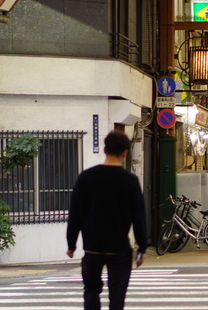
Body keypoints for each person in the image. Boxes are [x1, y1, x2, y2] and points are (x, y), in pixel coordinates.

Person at [66, 131, 148, 310]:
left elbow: (76, 213)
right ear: (125, 152)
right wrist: (142, 247)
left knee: (91, 290)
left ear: (104, 149)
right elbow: (138, 215)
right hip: (119, 249)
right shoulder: (130, 180)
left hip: (92, 247)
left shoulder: (86, 177)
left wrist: (71, 244)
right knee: (117, 295)